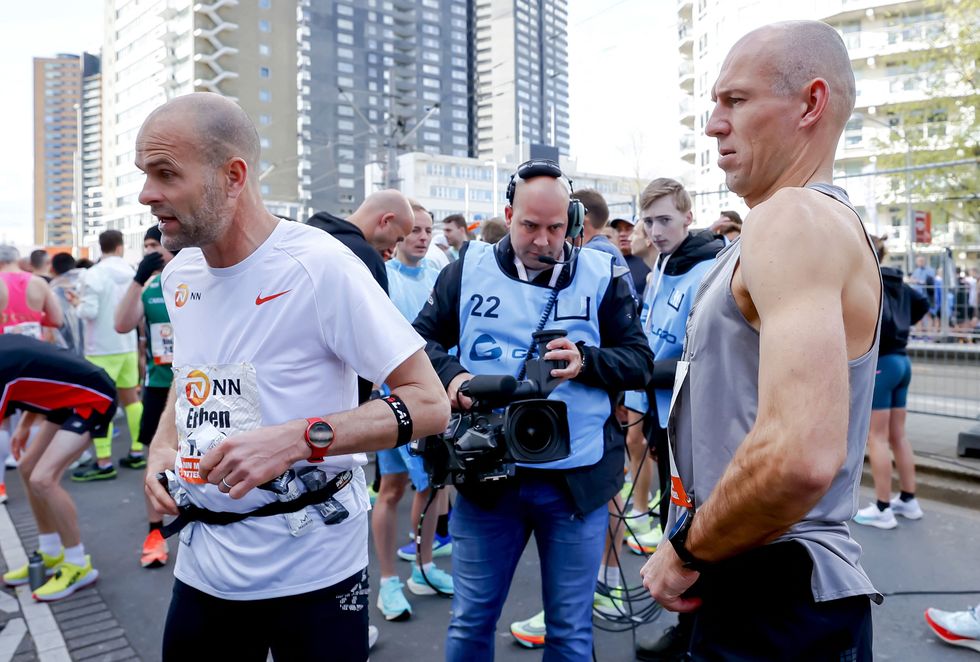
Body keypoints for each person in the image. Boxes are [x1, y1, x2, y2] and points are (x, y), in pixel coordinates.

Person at [136, 92, 448, 661]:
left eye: (166, 174)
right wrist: (163, 443)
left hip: (314, 573)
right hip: (205, 565)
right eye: (145, 174)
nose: (146, 194)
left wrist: (298, 439)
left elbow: (429, 402)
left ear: (233, 176)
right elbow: (191, 375)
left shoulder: (321, 266)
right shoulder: (180, 274)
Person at [640, 21, 881, 660]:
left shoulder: (793, 216)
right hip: (769, 584)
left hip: (771, 586)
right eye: (714, 103)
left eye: (736, 100)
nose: (713, 124)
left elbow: (799, 455)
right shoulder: (802, 223)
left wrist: (683, 549)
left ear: (811, 103)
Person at [413, 158, 654, 660]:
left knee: (570, 631)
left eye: (555, 228)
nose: (543, 241)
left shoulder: (601, 273)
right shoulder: (467, 268)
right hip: (486, 477)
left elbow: (639, 361)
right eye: (529, 226)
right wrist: (453, 377)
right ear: (508, 214)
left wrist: (586, 361)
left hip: (575, 482)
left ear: (572, 221)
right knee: (470, 622)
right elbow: (418, 343)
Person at [625, 179, 723, 660]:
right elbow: (651, 339)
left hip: (696, 423)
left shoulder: (708, 270)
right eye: (648, 221)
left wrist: (630, 370)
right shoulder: (661, 266)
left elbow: (699, 358)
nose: (656, 230)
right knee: (674, 520)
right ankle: (689, 629)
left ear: (688, 216)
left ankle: (696, 634)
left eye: (665, 219)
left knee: (692, 527)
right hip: (665, 416)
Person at [372, 201, 453, 621]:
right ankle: (388, 580)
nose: (422, 237)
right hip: (390, 399)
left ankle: (423, 567)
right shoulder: (382, 276)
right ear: (400, 234)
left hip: (431, 399)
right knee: (393, 488)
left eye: (428, 230)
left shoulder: (439, 274)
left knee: (432, 484)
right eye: (415, 230)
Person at [0, 335, 116, 601]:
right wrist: (25, 424)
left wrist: (25, 423)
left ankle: (78, 563)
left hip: (93, 396)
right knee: (27, 468)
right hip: (66, 399)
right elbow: (40, 370)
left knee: (43, 479)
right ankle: (51, 551)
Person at [853, 239, 929, 530]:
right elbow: (923, 303)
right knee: (898, 435)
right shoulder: (899, 283)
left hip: (882, 363)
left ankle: (883, 508)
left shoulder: (869, 281)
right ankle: (908, 500)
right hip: (902, 360)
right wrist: (904, 323)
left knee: (877, 437)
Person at [113, 226, 178, 567]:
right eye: (148, 246)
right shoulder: (150, 286)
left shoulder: (202, 277)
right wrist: (138, 279)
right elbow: (122, 324)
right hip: (159, 386)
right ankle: (155, 533)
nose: (153, 251)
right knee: (156, 459)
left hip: (200, 387)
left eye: (158, 245)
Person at [74, 229, 143, 481]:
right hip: (127, 344)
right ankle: (137, 451)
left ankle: (104, 461)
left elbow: (88, 312)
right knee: (132, 399)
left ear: (100, 247)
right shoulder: (132, 273)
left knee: (99, 403)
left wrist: (76, 304)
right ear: (120, 247)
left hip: (100, 348)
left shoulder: (93, 274)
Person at [0, 245, 63, 339]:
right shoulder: (39, 283)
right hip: (33, 344)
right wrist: (35, 319)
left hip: (3, 344)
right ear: (17, 260)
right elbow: (56, 320)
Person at [49, 253, 85, 355]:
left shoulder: (51, 293)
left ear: (52, 269)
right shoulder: (86, 287)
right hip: (92, 351)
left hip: (63, 354)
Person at [610, 217, 651, 299]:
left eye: (628, 229)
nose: (622, 234)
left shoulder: (648, 261)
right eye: (619, 230)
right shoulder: (611, 262)